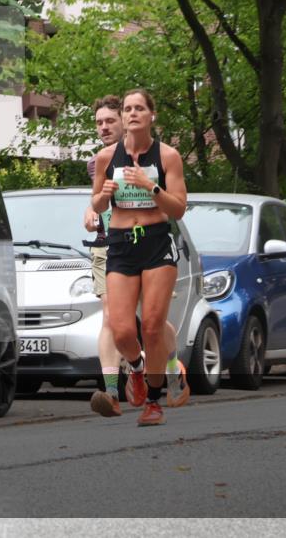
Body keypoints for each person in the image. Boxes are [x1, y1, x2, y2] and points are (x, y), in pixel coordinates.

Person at [85, 95, 189, 418]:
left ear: (151, 116)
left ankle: (154, 401)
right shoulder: (105, 158)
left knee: (153, 328)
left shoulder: (167, 156)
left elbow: (179, 208)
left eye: (139, 108)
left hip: (156, 243)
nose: (132, 113)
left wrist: (150, 187)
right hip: (120, 245)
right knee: (121, 330)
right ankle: (137, 368)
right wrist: (101, 198)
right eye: (128, 109)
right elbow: (99, 206)